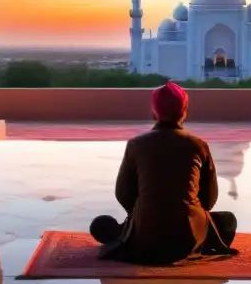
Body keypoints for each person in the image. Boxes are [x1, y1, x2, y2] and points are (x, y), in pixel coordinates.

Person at [90, 82, 238, 265]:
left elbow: (123, 194)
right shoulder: (198, 145)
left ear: (154, 113)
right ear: (185, 111)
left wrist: (145, 213)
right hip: (188, 239)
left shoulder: (136, 145)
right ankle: (199, 243)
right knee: (227, 221)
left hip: (145, 239)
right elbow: (209, 199)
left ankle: (134, 233)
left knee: (101, 225)